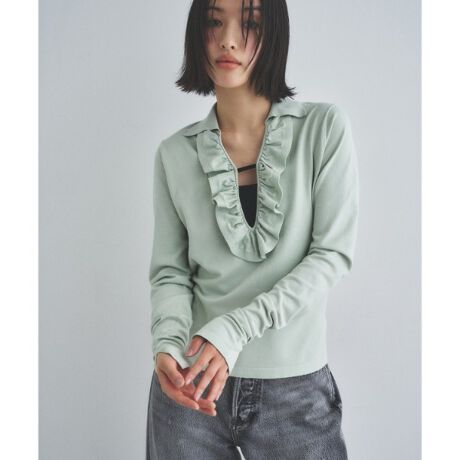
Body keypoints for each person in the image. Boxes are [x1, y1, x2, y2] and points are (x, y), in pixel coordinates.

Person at [146, 0, 359, 458]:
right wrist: (166, 344)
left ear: (275, 33)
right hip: (190, 384)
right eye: (214, 21)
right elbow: (171, 274)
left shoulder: (323, 130)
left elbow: (330, 255)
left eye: (251, 24)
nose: (228, 40)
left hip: (293, 389)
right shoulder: (174, 154)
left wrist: (234, 330)